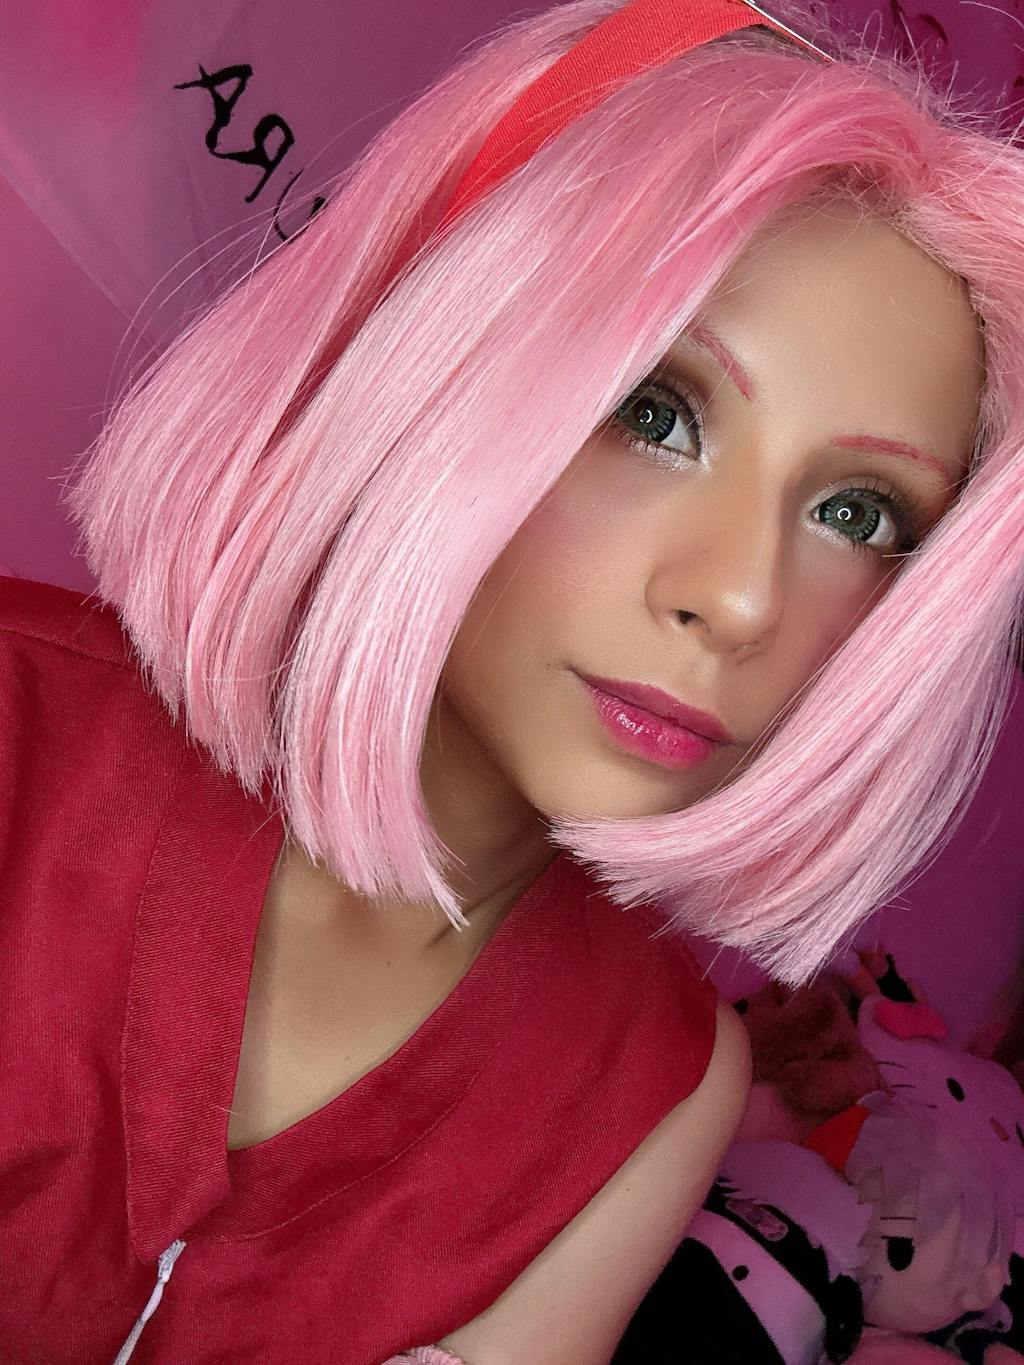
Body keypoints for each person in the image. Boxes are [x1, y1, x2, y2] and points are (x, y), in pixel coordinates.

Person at [1, 0, 1022, 1360]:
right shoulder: (23, 736)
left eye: (857, 514)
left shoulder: (658, 1089)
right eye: (656, 413)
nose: (740, 598)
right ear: (445, 366)